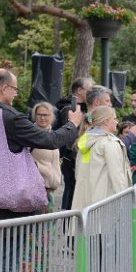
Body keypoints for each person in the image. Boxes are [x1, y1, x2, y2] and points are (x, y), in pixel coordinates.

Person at [0, 69, 82, 272]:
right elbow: (48, 140)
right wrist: (72, 124)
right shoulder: (8, 118)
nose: (16, 94)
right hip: (6, 202)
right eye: (15, 89)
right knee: (5, 260)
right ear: (4, 88)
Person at [72, 106, 132, 209]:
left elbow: (78, 173)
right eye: (114, 118)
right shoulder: (109, 143)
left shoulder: (85, 141)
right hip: (104, 203)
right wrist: (125, 199)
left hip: (84, 202)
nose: (117, 122)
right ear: (106, 121)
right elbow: (117, 176)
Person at [58, 77, 93, 210]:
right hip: (70, 156)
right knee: (71, 188)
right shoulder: (70, 109)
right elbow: (70, 134)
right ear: (79, 90)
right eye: (90, 89)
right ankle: (66, 219)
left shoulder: (82, 109)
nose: (92, 92)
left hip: (76, 155)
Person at [31, 102, 62, 212]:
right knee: (38, 221)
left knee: (48, 221)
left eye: (45, 115)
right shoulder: (30, 135)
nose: (42, 118)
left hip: (51, 190)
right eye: (39, 114)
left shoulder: (53, 135)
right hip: (36, 189)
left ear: (52, 116)